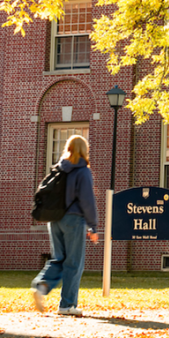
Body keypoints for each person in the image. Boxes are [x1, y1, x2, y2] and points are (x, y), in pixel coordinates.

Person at [31, 135, 99, 316]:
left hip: (55, 219)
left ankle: (41, 286)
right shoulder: (83, 171)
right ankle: (67, 305)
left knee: (58, 258)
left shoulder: (59, 168)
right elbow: (87, 201)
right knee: (74, 262)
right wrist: (93, 226)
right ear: (84, 150)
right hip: (74, 220)